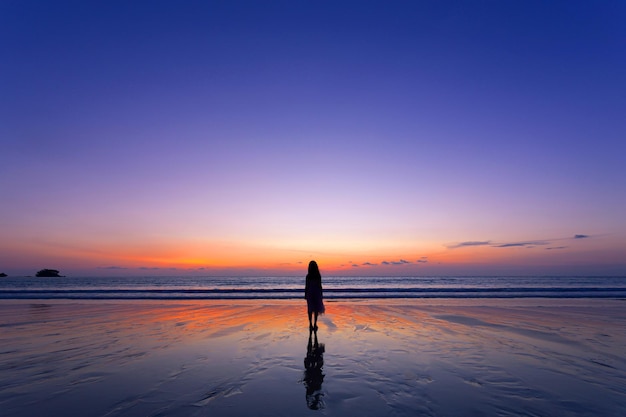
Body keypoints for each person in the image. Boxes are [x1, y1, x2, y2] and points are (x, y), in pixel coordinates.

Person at [304, 260, 325, 330]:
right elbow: (320, 286)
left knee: (310, 309)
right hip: (316, 293)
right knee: (316, 309)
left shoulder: (308, 276)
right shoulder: (318, 276)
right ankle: (315, 324)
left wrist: (305, 294)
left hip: (310, 293)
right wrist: (321, 294)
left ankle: (310, 324)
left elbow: (306, 286)